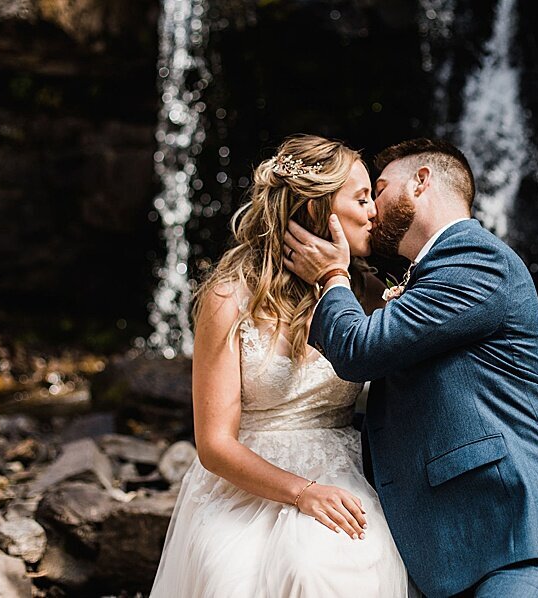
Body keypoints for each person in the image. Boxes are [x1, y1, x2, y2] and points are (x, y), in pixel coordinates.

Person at [280, 138, 538, 597]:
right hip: (454, 544)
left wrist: (332, 276)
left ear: (421, 182)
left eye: (376, 191)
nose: (373, 210)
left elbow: (361, 351)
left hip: (522, 538)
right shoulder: (430, 272)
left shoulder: (477, 260)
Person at [151, 134, 409, 596]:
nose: (375, 211)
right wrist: (303, 492)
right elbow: (213, 445)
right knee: (235, 580)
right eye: (362, 197)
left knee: (329, 570)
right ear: (317, 210)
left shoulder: (369, 295)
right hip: (245, 479)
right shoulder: (228, 298)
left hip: (342, 468)